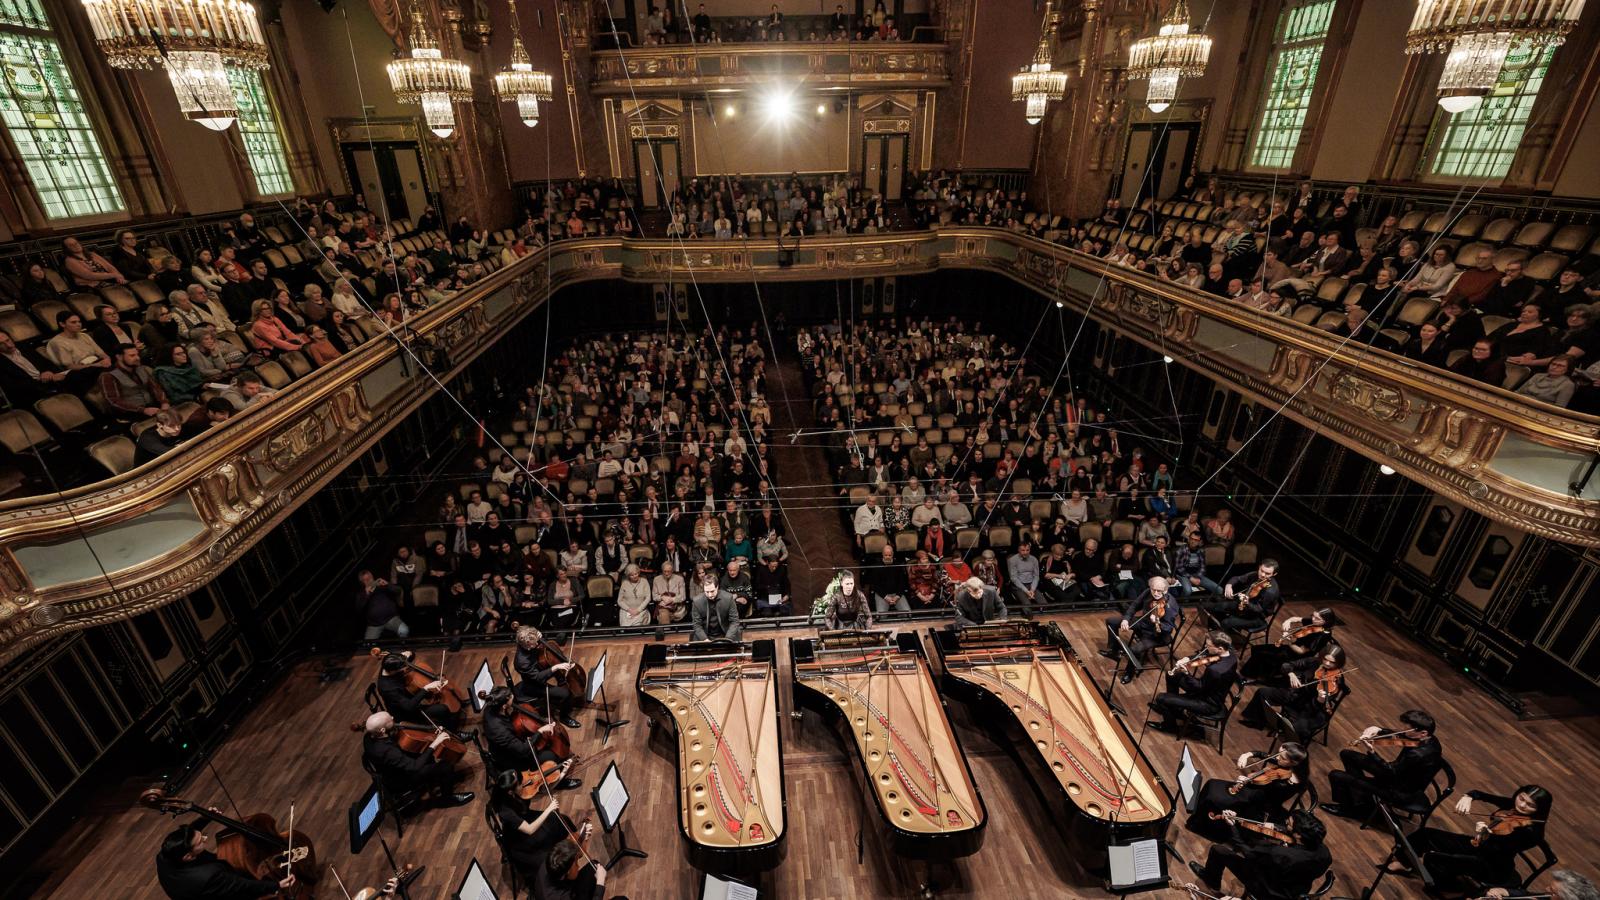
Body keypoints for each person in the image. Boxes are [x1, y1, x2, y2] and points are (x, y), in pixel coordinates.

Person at [1388, 784, 1552, 891]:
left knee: (1434, 859)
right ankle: (1405, 863)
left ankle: (1449, 888)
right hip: (1480, 844)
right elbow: (1479, 793)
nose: (1521, 805)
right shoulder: (1513, 806)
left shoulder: (1532, 832)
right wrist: (1469, 797)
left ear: (1539, 809)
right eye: (1521, 798)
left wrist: (1486, 833)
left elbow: (1498, 851)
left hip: (1493, 865)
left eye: (1530, 805)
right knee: (1425, 835)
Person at [1320, 708, 1443, 819]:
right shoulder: (1427, 739)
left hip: (1397, 790)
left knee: (1336, 775)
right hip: (1396, 775)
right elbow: (1400, 739)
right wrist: (1378, 730)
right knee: (1346, 754)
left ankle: (1349, 809)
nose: (1403, 730)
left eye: (1408, 729)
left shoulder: (1419, 753)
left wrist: (1372, 752)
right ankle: (1360, 799)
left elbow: (1391, 771)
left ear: (1423, 733)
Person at [1186, 810, 1332, 900]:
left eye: (1288, 825)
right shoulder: (1324, 852)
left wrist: (1233, 826)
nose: (1284, 825)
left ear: (1298, 835)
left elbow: (1247, 852)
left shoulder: (1280, 854)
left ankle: (1211, 881)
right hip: (1295, 891)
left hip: (1268, 891)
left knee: (1218, 850)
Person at [1185, 743, 1311, 842]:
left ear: (1294, 763)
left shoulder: (1287, 784)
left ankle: (1202, 827)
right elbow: (1265, 755)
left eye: (1281, 757)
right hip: (1256, 793)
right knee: (1212, 783)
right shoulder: (1285, 765)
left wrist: (1248, 781)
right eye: (1278, 754)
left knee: (1214, 797)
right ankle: (1196, 817)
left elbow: (1266, 796)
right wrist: (1247, 754)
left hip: (1259, 806)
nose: (1276, 757)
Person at [156, 819, 295, 899]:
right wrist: (276, 886)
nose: (205, 839)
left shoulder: (164, 856)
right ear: (187, 856)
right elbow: (242, 885)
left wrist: (206, 817)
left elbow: (186, 836)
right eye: (200, 842)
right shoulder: (210, 875)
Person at [359, 711, 474, 807]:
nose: (393, 718)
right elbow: (415, 767)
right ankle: (447, 799)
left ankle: (436, 780)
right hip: (401, 779)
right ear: (382, 731)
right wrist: (434, 744)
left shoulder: (369, 737)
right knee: (446, 766)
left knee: (423, 752)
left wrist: (429, 730)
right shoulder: (387, 751)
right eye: (390, 720)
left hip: (393, 768)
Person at [489, 768, 582, 884]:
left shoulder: (517, 791)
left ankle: (575, 848)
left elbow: (543, 789)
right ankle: (563, 873)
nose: (524, 783)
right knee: (546, 856)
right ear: (510, 792)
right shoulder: (505, 811)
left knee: (561, 819)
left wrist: (562, 774)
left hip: (527, 818)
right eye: (520, 784)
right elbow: (530, 829)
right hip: (519, 841)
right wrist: (548, 809)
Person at [479, 686, 582, 790]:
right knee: (552, 756)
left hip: (514, 741)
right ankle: (558, 782)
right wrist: (540, 731)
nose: (513, 696)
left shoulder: (493, 706)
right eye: (510, 696)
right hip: (511, 757)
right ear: (504, 706)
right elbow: (522, 750)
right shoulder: (499, 731)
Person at [1238, 644, 1347, 742]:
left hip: (1311, 708)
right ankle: (1256, 721)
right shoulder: (1314, 662)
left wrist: (1320, 699)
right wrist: (1291, 674)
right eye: (1325, 659)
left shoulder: (1337, 679)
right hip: (1297, 695)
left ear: (1338, 662)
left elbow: (1320, 706)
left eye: (1332, 662)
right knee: (1263, 692)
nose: (1327, 664)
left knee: (1299, 727)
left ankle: (1290, 747)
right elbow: (1287, 665)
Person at [1149, 631, 1238, 733]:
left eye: (1208, 645)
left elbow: (1198, 687)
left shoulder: (1215, 670)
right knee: (1172, 675)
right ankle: (1175, 709)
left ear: (1220, 648)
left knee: (1161, 698)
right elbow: (1204, 653)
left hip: (1207, 702)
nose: (1205, 646)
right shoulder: (1230, 654)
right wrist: (1187, 658)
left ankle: (1170, 726)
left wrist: (1186, 673)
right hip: (1207, 690)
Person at [1101, 576, 1182, 683]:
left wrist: (1157, 622)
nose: (1156, 593)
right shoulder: (1148, 592)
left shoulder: (1170, 605)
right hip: (1144, 623)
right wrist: (1126, 619)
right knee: (1111, 621)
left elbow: (1168, 628)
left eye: (1160, 591)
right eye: (1154, 590)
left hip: (1157, 635)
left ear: (1166, 590)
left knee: (1135, 649)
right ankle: (1113, 651)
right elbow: (1135, 605)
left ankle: (1129, 673)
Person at [1239, 607, 1337, 681]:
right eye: (1313, 616)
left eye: (1317, 618)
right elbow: (1296, 618)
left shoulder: (1321, 636)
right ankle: (1260, 673)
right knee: (1256, 648)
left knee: (1260, 654)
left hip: (1296, 657)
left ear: (1325, 621)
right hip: (1290, 648)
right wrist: (1288, 621)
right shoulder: (1314, 623)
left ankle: (1248, 677)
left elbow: (1301, 651)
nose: (1313, 619)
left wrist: (1289, 640)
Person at [376, 652, 464, 732]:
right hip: (404, 712)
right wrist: (426, 688)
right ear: (393, 671)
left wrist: (409, 653)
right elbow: (409, 706)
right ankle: (452, 732)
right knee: (442, 709)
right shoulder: (388, 688)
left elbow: (410, 656)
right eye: (403, 668)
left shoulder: (389, 663)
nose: (406, 668)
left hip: (407, 697)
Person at [512, 625, 581, 728]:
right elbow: (538, 678)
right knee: (566, 693)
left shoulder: (526, 641)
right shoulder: (522, 662)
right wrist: (556, 667)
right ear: (527, 645)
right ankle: (564, 717)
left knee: (555, 665)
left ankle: (562, 684)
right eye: (535, 643)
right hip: (534, 684)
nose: (537, 643)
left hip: (538, 668)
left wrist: (539, 636)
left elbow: (530, 637)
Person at [1197, 559, 1281, 633]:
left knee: (1226, 622)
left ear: (1274, 574)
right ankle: (1224, 633)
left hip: (1256, 617)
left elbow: (1259, 610)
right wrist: (1229, 585)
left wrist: (1247, 603)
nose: (1262, 575)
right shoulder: (1255, 575)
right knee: (1212, 605)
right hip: (1244, 607)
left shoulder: (1270, 591)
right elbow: (1237, 578)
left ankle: (1223, 642)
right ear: (1259, 567)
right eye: (1261, 570)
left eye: (1267, 573)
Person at [533, 839, 609, 900]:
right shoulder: (561, 897)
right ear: (564, 875)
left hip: (564, 885)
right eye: (575, 864)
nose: (578, 866)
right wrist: (600, 883)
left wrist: (583, 840)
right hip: (566, 891)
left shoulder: (551, 860)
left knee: (593, 867)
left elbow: (570, 857)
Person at [356, 569, 409, 640]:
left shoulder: (382, 586)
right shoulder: (361, 594)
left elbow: (398, 591)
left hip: (391, 619)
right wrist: (366, 595)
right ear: (362, 582)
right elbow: (359, 608)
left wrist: (387, 584)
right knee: (368, 644)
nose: (369, 581)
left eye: (370, 578)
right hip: (374, 624)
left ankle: (402, 648)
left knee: (404, 630)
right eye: (366, 580)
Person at [691, 573, 742, 641]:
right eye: (707, 592)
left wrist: (727, 638)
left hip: (726, 633)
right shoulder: (697, 601)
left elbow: (734, 621)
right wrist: (704, 639)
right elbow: (697, 625)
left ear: (717, 587)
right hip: (705, 634)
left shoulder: (728, 598)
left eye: (712, 591)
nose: (710, 595)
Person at [863, 544, 909, 613]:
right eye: (886, 555)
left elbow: (902, 583)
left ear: (893, 554)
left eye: (889, 555)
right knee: (881, 616)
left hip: (897, 595)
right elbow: (875, 586)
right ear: (882, 554)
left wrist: (897, 596)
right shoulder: (876, 567)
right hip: (882, 595)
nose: (887, 557)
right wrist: (886, 597)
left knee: (908, 613)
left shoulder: (898, 566)